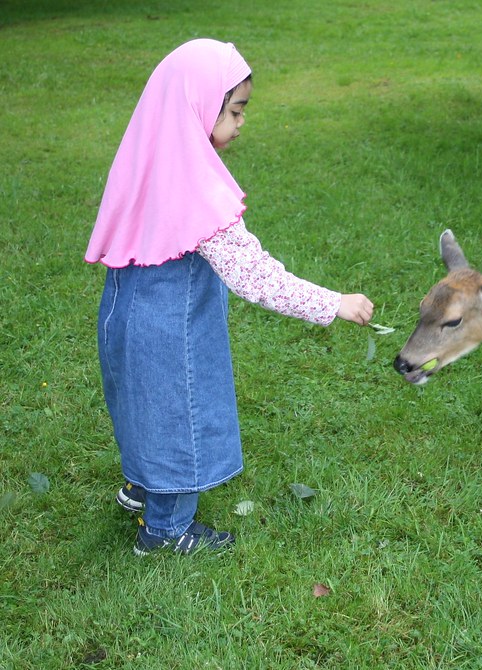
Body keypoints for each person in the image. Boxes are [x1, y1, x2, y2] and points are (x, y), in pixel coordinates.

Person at [85, 39, 374, 556]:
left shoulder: (151, 158)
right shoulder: (195, 189)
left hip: (123, 314)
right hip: (168, 328)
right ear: (199, 106)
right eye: (236, 109)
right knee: (178, 413)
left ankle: (142, 487)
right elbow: (254, 275)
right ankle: (167, 529)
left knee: (141, 405)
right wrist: (333, 302)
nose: (241, 122)